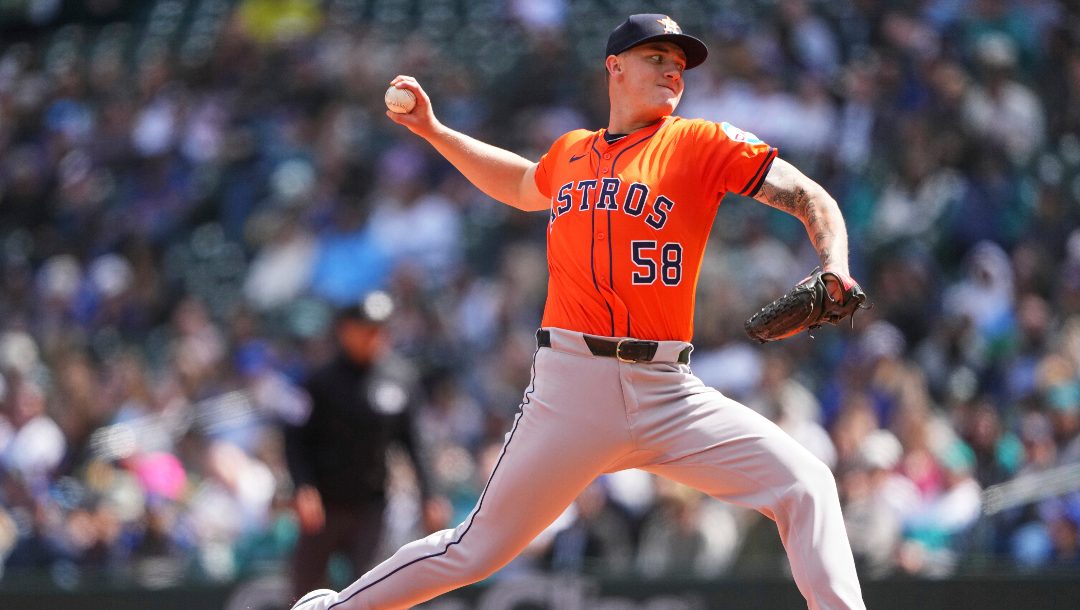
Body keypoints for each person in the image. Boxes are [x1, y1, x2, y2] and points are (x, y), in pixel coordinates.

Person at [293, 13, 866, 610]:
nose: (673, 69)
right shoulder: (572, 152)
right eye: (656, 57)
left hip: (668, 390)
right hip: (572, 388)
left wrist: (835, 265)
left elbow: (807, 194)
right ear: (614, 67)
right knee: (475, 550)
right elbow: (519, 184)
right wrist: (435, 130)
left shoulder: (698, 143)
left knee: (806, 484)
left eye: (680, 63)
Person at [285, 291, 449, 599]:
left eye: (382, 328)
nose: (376, 336)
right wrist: (302, 486)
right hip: (324, 505)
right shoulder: (319, 382)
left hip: (371, 504)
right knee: (305, 588)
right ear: (345, 330)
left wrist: (432, 494)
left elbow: (416, 444)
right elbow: (295, 440)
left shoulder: (400, 379)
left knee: (370, 590)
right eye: (367, 328)